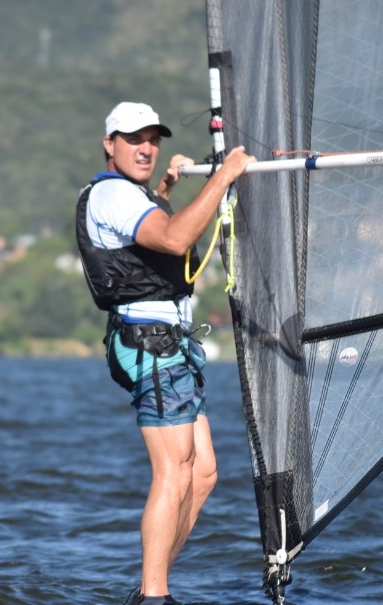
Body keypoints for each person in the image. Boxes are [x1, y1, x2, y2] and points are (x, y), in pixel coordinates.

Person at [75, 101, 255, 605]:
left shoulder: (132, 195)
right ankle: (155, 596)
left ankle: (149, 589)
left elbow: (143, 234)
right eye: (134, 139)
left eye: (153, 138)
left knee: (202, 474)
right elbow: (174, 241)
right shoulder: (111, 194)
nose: (146, 148)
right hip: (150, 345)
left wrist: (168, 190)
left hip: (170, 343)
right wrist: (224, 176)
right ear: (109, 144)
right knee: (173, 471)